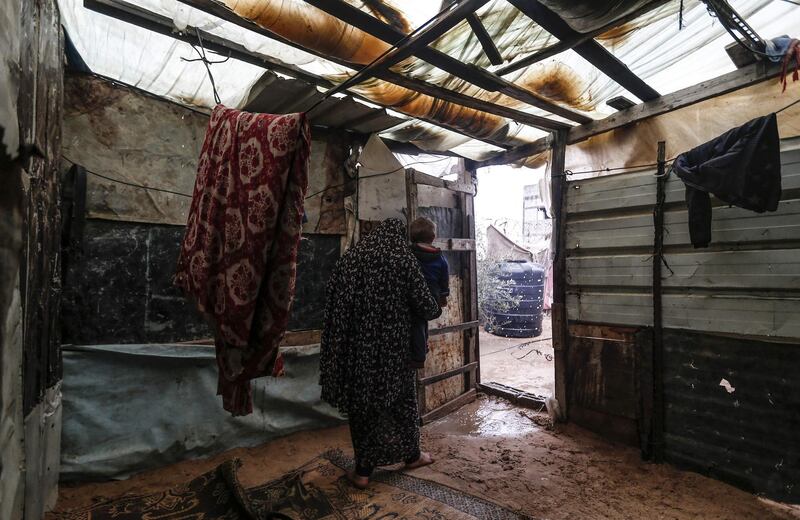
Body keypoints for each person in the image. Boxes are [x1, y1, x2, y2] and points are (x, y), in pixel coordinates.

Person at [319, 218, 442, 488]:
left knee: (362, 409)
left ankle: (362, 472)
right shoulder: (402, 259)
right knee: (403, 403)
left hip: (355, 352)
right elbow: (428, 307)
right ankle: (412, 456)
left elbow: (333, 306)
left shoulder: (350, 259)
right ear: (399, 237)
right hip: (394, 354)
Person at [408, 217, 449, 369]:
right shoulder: (441, 259)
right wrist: (443, 299)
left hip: (412, 298)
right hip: (432, 300)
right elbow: (443, 282)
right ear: (433, 238)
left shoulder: (408, 254)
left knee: (417, 323)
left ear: (411, 237)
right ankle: (421, 350)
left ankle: (418, 356)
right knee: (422, 322)